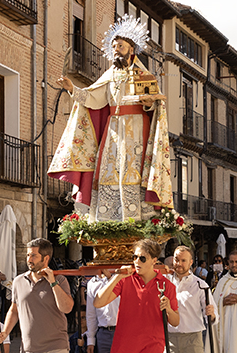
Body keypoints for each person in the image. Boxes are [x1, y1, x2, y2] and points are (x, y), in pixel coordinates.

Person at [49, 15, 172, 222]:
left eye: (121, 45)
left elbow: (153, 106)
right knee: (109, 169)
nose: (116, 49)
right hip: (113, 130)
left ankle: (136, 215)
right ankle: (108, 217)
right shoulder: (109, 75)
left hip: (137, 129)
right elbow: (92, 98)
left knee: (134, 169)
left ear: (131, 49)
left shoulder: (144, 75)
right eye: (114, 45)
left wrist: (149, 102)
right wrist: (73, 89)